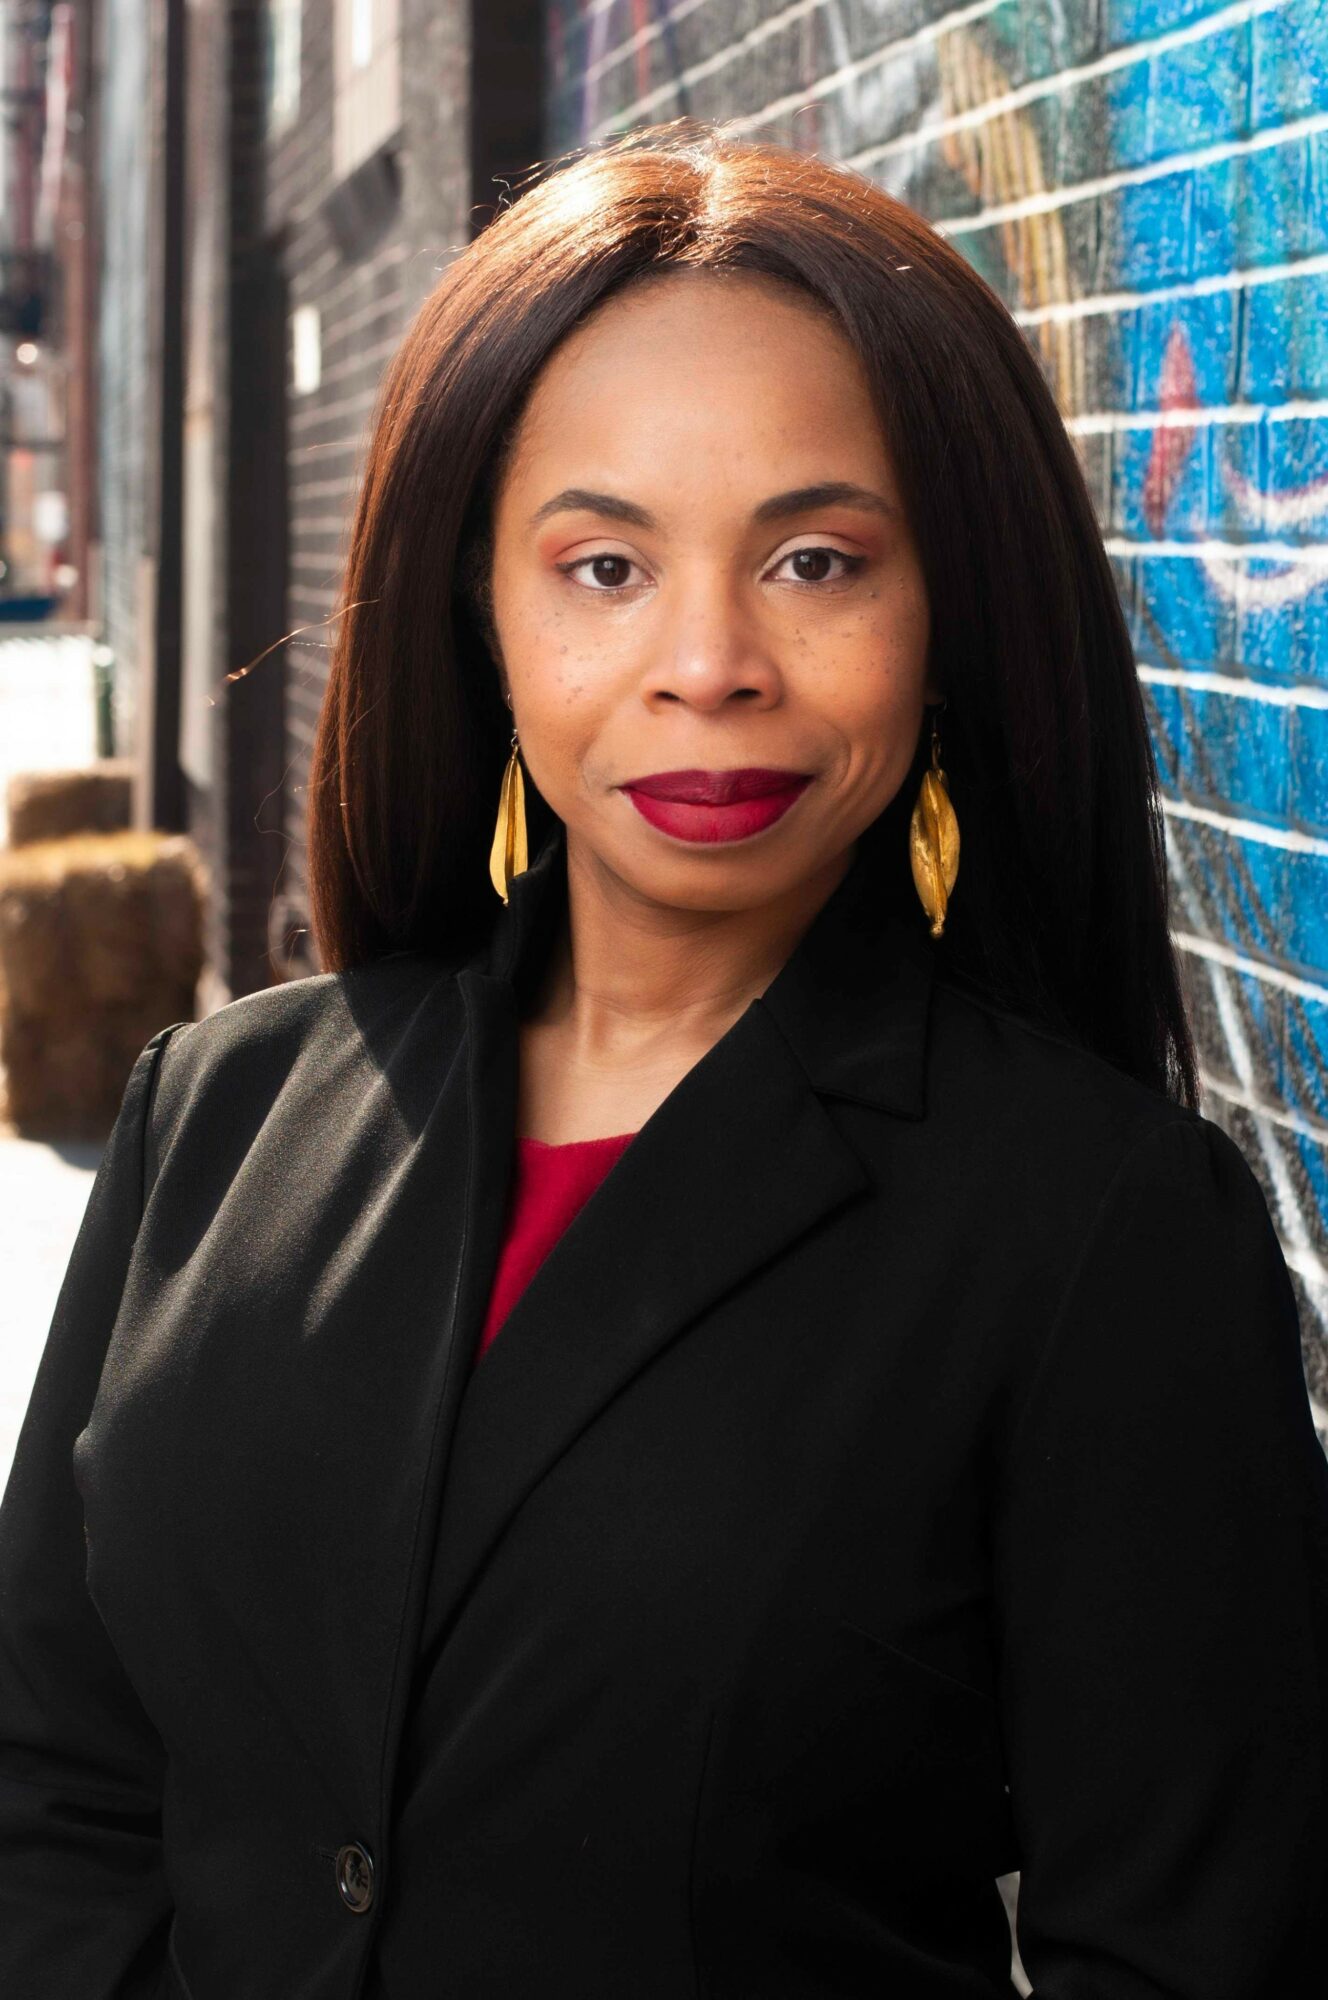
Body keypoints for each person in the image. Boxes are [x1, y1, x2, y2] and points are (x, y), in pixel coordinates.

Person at [2, 117, 1326, 2000]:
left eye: (816, 560)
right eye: (605, 565)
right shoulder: (215, 1117)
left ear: (944, 617)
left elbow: (1195, 1951)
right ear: (483, 610)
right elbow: (55, 1784)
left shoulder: (1100, 1228)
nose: (709, 661)